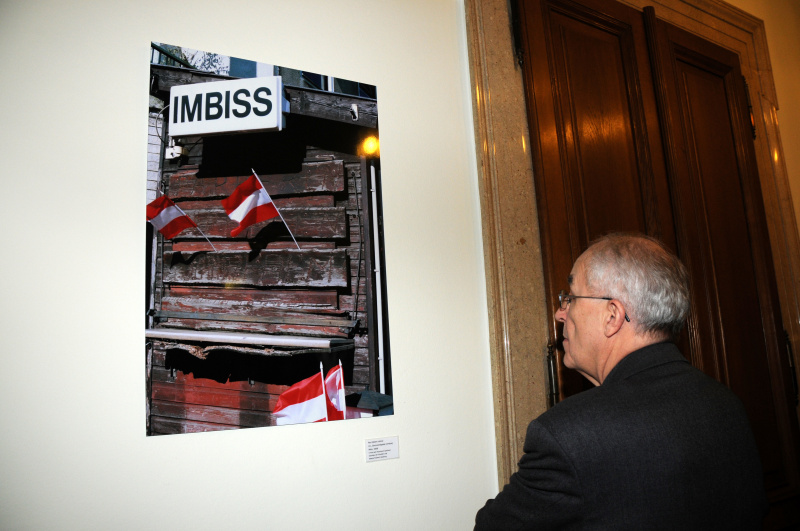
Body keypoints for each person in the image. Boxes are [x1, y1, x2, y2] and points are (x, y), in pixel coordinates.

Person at [474, 233, 766, 530]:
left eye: (571, 297)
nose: (560, 313)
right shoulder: (727, 405)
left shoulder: (567, 435)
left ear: (612, 316)